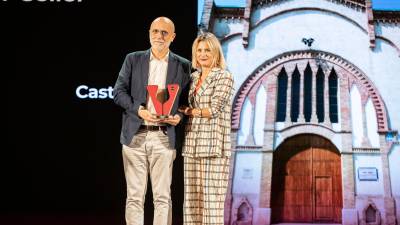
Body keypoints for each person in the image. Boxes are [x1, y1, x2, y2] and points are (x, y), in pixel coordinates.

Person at [113, 17, 191, 225]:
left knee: (162, 197)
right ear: (149, 33)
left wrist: (179, 116)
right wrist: (139, 110)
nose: (159, 36)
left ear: (173, 37)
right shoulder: (133, 59)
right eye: (155, 31)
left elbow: (185, 101)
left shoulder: (184, 65)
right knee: (135, 197)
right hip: (134, 135)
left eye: (164, 32)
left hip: (164, 137)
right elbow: (118, 92)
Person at [178, 32, 234, 225]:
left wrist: (187, 110)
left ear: (216, 52)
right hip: (191, 143)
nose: (203, 54)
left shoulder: (224, 76)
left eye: (207, 50)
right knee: (191, 202)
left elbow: (214, 110)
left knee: (212, 203)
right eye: (199, 50)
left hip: (214, 147)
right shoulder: (193, 77)